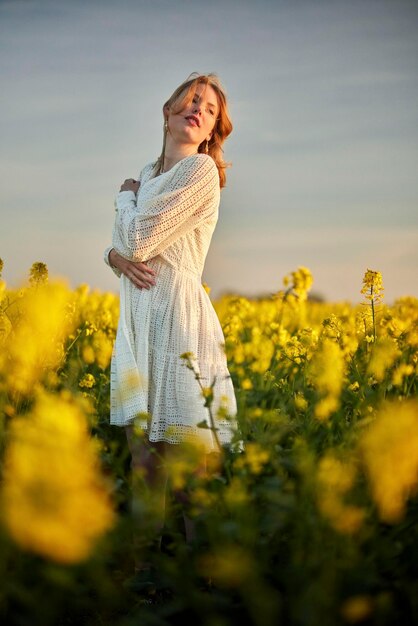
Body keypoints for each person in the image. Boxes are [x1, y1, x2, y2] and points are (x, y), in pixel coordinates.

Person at [103, 72, 240, 576]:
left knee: (189, 476)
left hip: (181, 325)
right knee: (144, 466)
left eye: (209, 109)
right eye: (192, 99)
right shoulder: (147, 172)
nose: (198, 109)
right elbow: (126, 247)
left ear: (210, 132)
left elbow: (137, 240)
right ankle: (145, 589)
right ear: (168, 110)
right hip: (140, 324)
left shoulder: (200, 171)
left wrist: (123, 200)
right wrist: (112, 257)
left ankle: (203, 592)